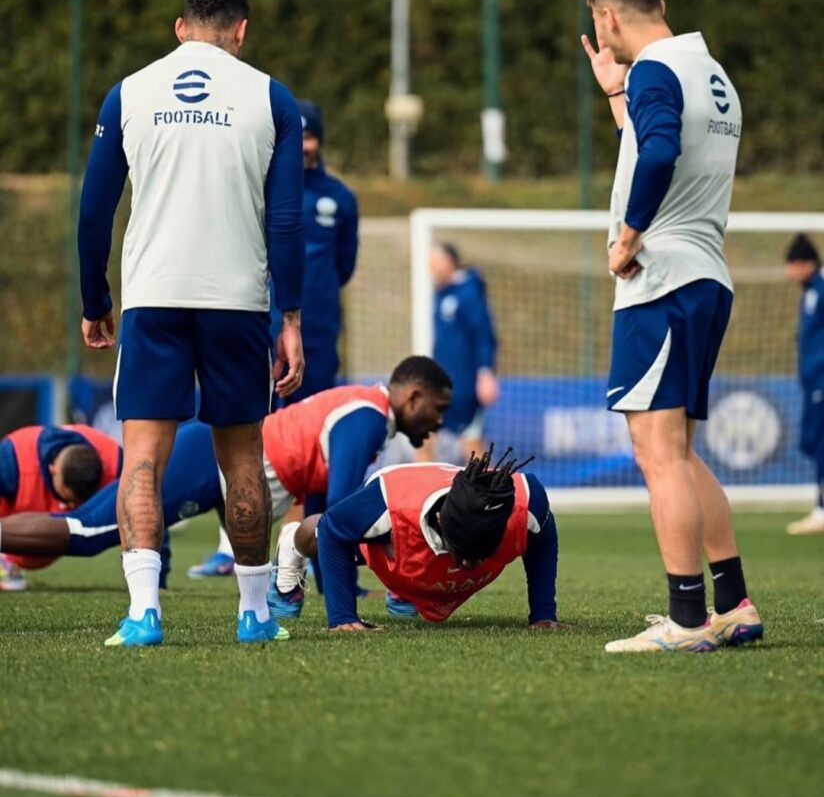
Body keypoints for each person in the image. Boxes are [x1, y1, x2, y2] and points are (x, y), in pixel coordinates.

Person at [77, 0, 305, 647]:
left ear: (180, 29)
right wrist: (288, 317)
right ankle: (255, 615)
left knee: (142, 461)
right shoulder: (272, 97)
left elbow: (94, 212)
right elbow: (286, 221)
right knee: (242, 461)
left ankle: (143, 614)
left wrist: (97, 301)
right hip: (236, 303)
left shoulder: (131, 92)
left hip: (153, 298)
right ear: (241, 32)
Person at [581, 0, 762, 653]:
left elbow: (657, 157)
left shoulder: (656, 69)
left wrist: (629, 236)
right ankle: (732, 603)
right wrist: (614, 98)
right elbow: (660, 144)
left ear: (610, 17)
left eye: (601, 25)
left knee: (656, 451)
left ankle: (688, 621)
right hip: (706, 273)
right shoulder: (711, 75)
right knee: (678, 450)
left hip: (662, 279)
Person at [0, 359, 451, 592]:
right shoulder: (367, 417)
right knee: (88, 532)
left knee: (90, 528)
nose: (438, 422)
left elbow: (319, 506)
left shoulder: (369, 412)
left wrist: (341, 589)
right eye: (438, 409)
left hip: (224, 466)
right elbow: (340, 513)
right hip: (214, 463)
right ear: (412, 398)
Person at [189, 98, 359, 578]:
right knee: (248, 438)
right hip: (256, 332)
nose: (303, 146)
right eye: (296, 137)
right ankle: (230, 545)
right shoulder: (260, 191)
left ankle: (324, 560)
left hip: (318, 339)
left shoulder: (340, 198)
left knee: (322, 445)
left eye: (311, 136)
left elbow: (344, 266)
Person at [270, 446, 560, 633]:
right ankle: (290, 543)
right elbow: (333, 530)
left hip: (422, 554)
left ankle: (407, 590)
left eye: (481, 553)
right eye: (464, 553)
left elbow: (544, 535)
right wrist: (343, 617)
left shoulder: (523, 505)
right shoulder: (386, 506)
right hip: (393, 542)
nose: (471, 564)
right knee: (317, 531)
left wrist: (543, 613)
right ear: (439, 522)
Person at [0, 423, 121, 590]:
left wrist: (157, 578)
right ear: (52, 470)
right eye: (67, 499)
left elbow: (150, 510)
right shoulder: (9, 462)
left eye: (80, 502)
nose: (71, 507)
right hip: (12, 517)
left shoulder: (116, 464)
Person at [425, 242, 498, 463]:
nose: (432, 268)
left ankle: (495, 495)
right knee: (423, 435)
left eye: (435, 262)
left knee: (472, 444)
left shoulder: (469, 292)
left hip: (464, 385)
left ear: (449, 261)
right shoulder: (441, 294)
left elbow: (484, 335)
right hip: (441, 383)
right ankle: (423, 493)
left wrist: (486, 373)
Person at [784, 234, 824, 535]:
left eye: (792, 265)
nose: (789, 273)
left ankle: (821, 511)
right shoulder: (810, 292)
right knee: (812, 442)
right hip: (812, 382)